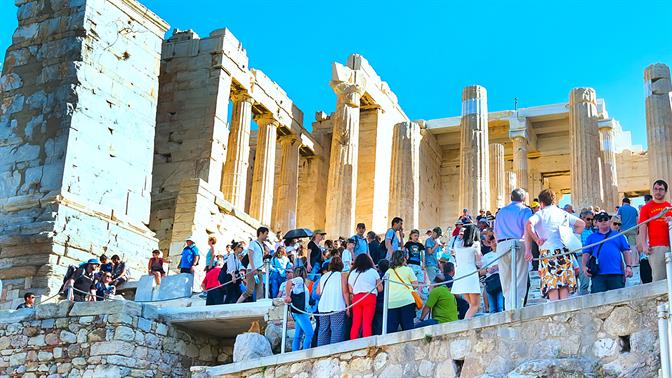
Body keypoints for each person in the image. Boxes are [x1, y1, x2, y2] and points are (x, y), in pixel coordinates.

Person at [526, 189, 585, 301]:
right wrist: (570, 233)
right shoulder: (563, 213)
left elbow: (529, 224)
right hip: (563, 252)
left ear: (541, 203)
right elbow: (581, 224)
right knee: (564, 285)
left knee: (552, 286)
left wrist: (537, 239)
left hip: (547, 253)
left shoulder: (540, 214)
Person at [493, 188, 533, 310]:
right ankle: (516, 308)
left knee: (505, 280)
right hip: (518, 242)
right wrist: (528, 249)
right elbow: (527, 229)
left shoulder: (501, 212)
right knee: (520, 279)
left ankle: (508, 307)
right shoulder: (525, 210)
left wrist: (498, 246)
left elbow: (495, 232)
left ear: (511, 198)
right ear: (524, 198)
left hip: (501, 244)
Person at [582, 212, 633, 293]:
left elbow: (626, 251)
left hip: (616, 273)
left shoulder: (618, 235)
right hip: (598, 275)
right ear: (596, 223)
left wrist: (628, 266)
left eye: (605, 219)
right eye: (600, 220)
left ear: (609, 221)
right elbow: (586, 254)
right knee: (598, 301)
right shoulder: (591, 238)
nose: (603, 221)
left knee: (618, 301)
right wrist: (584, 267)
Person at [637, 179, 672, 281]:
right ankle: (659, 298)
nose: (658, 192)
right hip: (656, 247)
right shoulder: (646, 208)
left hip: (670, 244)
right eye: (655, 189)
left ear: (665, 191)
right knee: (658, 277)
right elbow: (642, 227)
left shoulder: (669, 207)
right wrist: (644, 245)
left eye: (661, 189)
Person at [316, 256, 350, 346]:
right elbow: (345, 292)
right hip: (337, 306)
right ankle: (334, 351)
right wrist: (348, 307)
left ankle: (321, 350)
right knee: (337, 330)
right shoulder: (342, 275)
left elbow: (318, 292)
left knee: (323, 330)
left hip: (323, 307)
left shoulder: (324, 276)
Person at [450, 224, 482, 319]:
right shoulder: (476, 244)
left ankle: (467, 321)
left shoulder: (457, 245)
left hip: (460, 275)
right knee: (475, 305)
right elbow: (479, 263)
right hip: (471, 274)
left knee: (471, 304)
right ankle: (465, 323)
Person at [348, 254, 382, 339]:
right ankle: (366, 343)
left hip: (356, 298)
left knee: (356, 323)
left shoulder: (352, 273)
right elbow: (380, 288)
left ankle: (353, 343)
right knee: (367, 323)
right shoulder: (373, 272)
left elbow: (350, 290)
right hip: (369, 297)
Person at [385, 250, 418, 333]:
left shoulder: (388, 272)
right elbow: (415, 285)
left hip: (392, 303)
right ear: (403, 259)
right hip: (407, 301)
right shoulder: (408, 270)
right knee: (408, 328)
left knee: (391, 330)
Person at [283, 266, 313, 351]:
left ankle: (295, 352)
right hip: (301, 312)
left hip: (297, 311)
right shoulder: (299, 280)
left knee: (298, 335)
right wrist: (287, 296)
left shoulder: (300, 283)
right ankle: (305, 351)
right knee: (310, 333)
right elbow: (289, 282)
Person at [237, 227, 268, 303]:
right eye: (266, 234)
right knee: (249, 290)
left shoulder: (262, 245)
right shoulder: (253, 243)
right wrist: (253, 268)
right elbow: (250, 255)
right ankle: (237, 303)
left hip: (260, 270)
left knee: (260, 291)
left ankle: (259, 307)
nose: (267, 236)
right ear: (261, 233)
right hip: (252, 269)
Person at [480, 234, 503, 313]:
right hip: (490, 282)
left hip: (501, 281)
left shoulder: (504, 254)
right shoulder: (486, 256)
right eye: (492, 241)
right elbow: (480, 271)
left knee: (500, 306)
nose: (494, 243)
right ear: (489, 243)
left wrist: (499, 266)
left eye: (495, 241)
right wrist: (488, 270)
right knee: (492, 308)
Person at [618, 198, 639, 265]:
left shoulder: (620, 209)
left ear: (623, 202)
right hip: (633, 229)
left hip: (623, 230)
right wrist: (637, 229)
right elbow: (637, 220)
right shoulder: (634, 209)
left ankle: (625, 263)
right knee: (633, 246)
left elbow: (619, 219)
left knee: (623, 247)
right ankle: (634, 263)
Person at [404, 229, 426, 295]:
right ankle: (411, 293)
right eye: (415, 235)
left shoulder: (420, 245)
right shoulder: (408, 244)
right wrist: (405, 261)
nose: (416, 237)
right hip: (410, 264)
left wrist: (423, 264)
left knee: (420, 279)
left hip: (418, 264)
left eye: (417, 236)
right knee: (411, 280)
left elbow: (423, 254)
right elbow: (404, 252)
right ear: (411, 236)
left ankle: (418, 293)